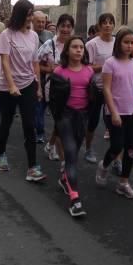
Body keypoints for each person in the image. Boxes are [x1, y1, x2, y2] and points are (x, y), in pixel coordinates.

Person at [0, 0, 47, 182]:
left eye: (31, 14)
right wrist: (11, 85)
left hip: (28, 85)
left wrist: (38, 86)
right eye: (27, 14)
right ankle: (1, 153)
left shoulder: (33, 36)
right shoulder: (6, 35)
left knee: (29, 125)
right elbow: (5, 62)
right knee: (6, 123)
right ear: (19, 15)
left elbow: (35, 63)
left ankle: (32, 167)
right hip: (7, 87)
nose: (30, 18)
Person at [96, 27, 133, 199]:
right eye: (126, 42)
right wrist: (113, 112)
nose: (129, 46)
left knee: (131, 148)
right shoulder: (110, 63)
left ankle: (123, 183)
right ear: (119, 43)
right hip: (115, 112)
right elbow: (106, 89)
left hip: (132, 112)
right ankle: (104, 165)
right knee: (117, 146)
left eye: (132, 43)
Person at [53, 36, 95, 218]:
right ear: (67, 50)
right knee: (70, 153)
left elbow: (92, 96)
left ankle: (64, 179)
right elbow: (52, 99)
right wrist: (58, 118)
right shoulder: (59, 71)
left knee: (75, 151)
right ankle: (75, 199)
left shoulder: (89, 71)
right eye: (75, 47)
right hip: (65, 116)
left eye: (81, 47)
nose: (79, 50)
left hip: (82, 117)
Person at [38, 14, 75, 162]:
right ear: (57, 27)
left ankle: (51, 144)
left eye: (69, 26)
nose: (65, 29)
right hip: (53, 88)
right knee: (61, 120)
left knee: (62, 120)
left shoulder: (75, 44)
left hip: (72, 88)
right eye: (63, 26)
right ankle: (59, 155)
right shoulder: (48, 45)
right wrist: (48, 70)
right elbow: (35, 63)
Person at [83, 13, 116, 163]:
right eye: (105, 22)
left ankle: (117, 158)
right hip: (96, 88)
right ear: (99, 25)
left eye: (110, 22)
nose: (108, 25)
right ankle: (88, 148)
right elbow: (86, 67)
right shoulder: (92, 44)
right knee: (93, 121)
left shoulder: (117, 42)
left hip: (114, 88)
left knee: (114, 122)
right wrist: (106, 67)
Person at [32, 10, 53, 142]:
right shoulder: (29, 35)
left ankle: (36, 126)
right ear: (32, 22)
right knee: (38, 105)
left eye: (43, 22)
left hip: (49, 77)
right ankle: (39, 131)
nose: (40, 24)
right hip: (34, 76)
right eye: (38, 21)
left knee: (43, 105)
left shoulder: (50, 35)